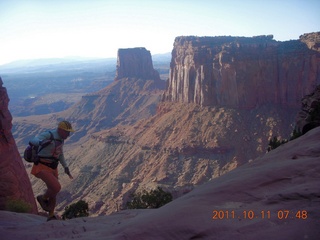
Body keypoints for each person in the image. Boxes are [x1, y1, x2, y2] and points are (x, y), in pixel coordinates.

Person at [30, 120, 75, 221]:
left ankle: (51, 215)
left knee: (53, 192)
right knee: (56, 187)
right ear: (60, 130)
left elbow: (60, 154)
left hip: (53, 167)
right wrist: (41, 142)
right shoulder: (49, 135)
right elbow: (33, 140)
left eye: (69, 132)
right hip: (42, 166)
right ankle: (43, 198)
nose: (68, 134)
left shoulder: (61, 140)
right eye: (67, 132)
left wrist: (65, 167)